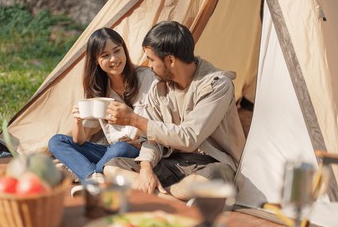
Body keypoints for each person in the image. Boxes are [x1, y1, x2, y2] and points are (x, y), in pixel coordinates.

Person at [103, 21, 245, 201]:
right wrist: (146, 168)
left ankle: (159, 195)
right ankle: (172, 198)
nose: (149, 65)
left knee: (211, 179)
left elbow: (189, 138)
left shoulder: (216, 85)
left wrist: (134, 120)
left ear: (170, 60)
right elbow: (152, 138)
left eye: (151, 59)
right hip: (174, 163)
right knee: (112, 167)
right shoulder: (159, 87)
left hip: (213, 164)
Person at [48, 27, 156, 183]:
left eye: (117, 51)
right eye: (105, 55)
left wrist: (140, 141)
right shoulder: (101, 90)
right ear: (96, 61)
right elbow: (80, 141)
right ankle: (93, 177)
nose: (113, 59)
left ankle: (84, 174)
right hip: (111, 152)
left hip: (140, 150)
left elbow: (161, 122)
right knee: (56, 141)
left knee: (121, 148)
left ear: (124, 50)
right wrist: (77, 121)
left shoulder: (147, 78)